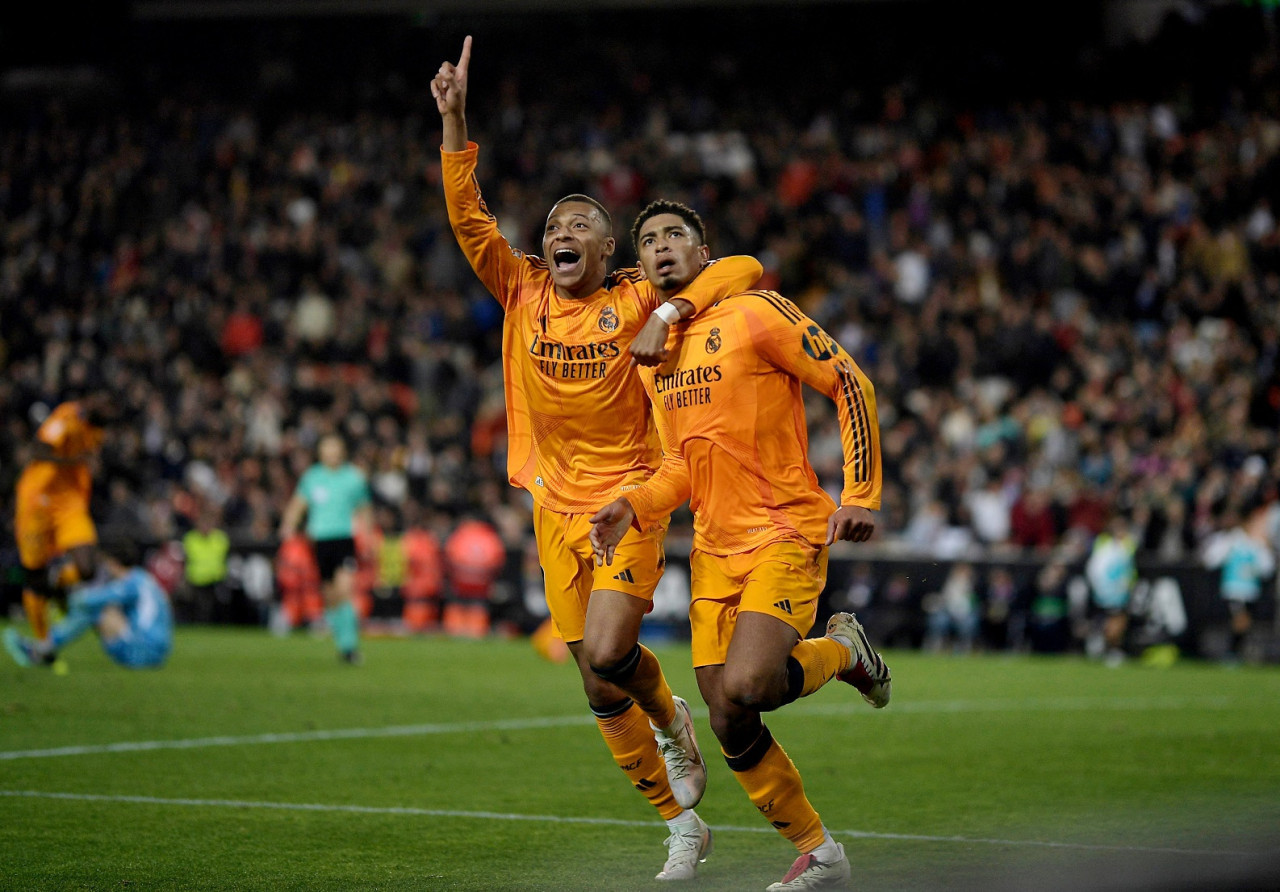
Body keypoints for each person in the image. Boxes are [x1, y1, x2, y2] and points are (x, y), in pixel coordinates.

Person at [433, 37, 763, 881]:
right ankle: (679, 825)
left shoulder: (637, 298)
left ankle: (671, 719)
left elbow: (740, 269)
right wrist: (457, 122)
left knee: (616, 653)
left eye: (580, 223)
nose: (562, 230)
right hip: (552, 505)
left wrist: (678, 303)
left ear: (610, 251)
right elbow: (470, 217)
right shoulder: (524, 289)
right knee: (593, 686)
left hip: (628, 498)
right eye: (554, 225)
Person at [590, 200, 891, 891]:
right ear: (640, 263)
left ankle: (845, 649)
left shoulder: (756, 312)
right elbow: (677, 469)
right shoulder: (652, 357)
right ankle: (822, 855)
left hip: (785, 528)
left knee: (751, 682)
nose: (664, 247)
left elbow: (849, 381)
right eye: (651, 240)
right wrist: (630, 505)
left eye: (676, 236)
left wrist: (862, 493)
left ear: (703, 253)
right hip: (713, 550)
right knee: (726, 713)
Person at [12, 393, 115, 664]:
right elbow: (38, 450)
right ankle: (44, 643)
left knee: (88, 568)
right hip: (38, 501)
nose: (106, 416)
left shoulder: (97, 430)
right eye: (105, 408)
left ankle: (59, 581)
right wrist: (77, 461)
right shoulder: (66, 418)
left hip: (69, 505)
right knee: (34, 576)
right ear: (90, 402)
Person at [4, 541, 173, 670]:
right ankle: (43, 648)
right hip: (156, 651)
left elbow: (89, 600)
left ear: (113, 562)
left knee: (97, 611)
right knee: (101, 610)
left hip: (144, 652)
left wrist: (68, 594)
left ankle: (40, 649)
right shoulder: (143, 579)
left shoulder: (132, 582)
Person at [278, 434, 372, 664]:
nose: (331, 453)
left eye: (334, 448)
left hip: (344, 538)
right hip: (319, 541)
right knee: (330, 595)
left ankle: (350, 646)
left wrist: (368, 537)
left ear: (342, 451)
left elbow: (364, 509)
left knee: (345, 589)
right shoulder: (313, 477)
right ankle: (342, 642)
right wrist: (288, 524)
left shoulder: (353, 478)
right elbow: (299, 503)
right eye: (326, 449)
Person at [1203, 495, 1276, 662]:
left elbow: (1267, 569)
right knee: (1240, 620)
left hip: (1251, 591)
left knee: (1246, 623)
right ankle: (1233, 652)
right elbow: (1210, 559)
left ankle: (1237, 652)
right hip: (1234, 590)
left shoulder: (1257, 544)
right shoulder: (1232, 540)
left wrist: (1265, 547)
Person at [1085, 513, 1138, 667]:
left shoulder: (1129, 544)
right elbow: (1096, 568)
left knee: (1119, 621)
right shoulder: (1104, 545)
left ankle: (1110, 648)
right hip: (1108, 591)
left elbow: (1130, 567)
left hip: (1122, 590)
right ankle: (1106, 647)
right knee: (1112, 620)